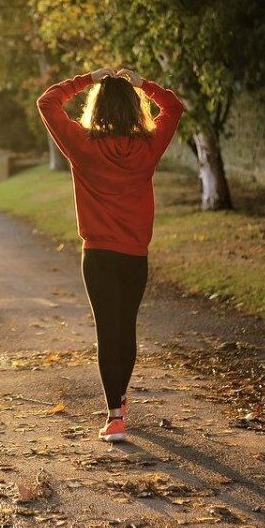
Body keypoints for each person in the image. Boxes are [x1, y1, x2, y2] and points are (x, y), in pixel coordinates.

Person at [37, 67, 184, 442]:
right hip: (135, 255)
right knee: (126, 327)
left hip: (98, 255)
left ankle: (115, 415)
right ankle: (119, 400)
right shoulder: (148, 147)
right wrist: (142, 84)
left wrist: (88, 78)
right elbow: (174, 107)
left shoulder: (82, 145)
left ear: (96, 107)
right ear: (135, 109)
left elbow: (47, 102)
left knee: (108, 330)